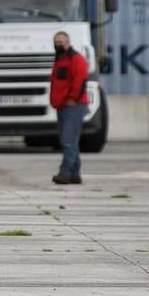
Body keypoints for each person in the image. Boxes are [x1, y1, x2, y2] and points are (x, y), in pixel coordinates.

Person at [49, 31, 91, 186]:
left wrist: (73, 98)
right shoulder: (60, 60)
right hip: (62, 105)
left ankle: (65, 173)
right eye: (56, 42)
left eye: (61, 42)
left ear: (68, 42)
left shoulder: (76, 59)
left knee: (68, 141)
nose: (58, 44)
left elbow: (81, 81)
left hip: (73, 106)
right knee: (71, 141)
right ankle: (74, 174)